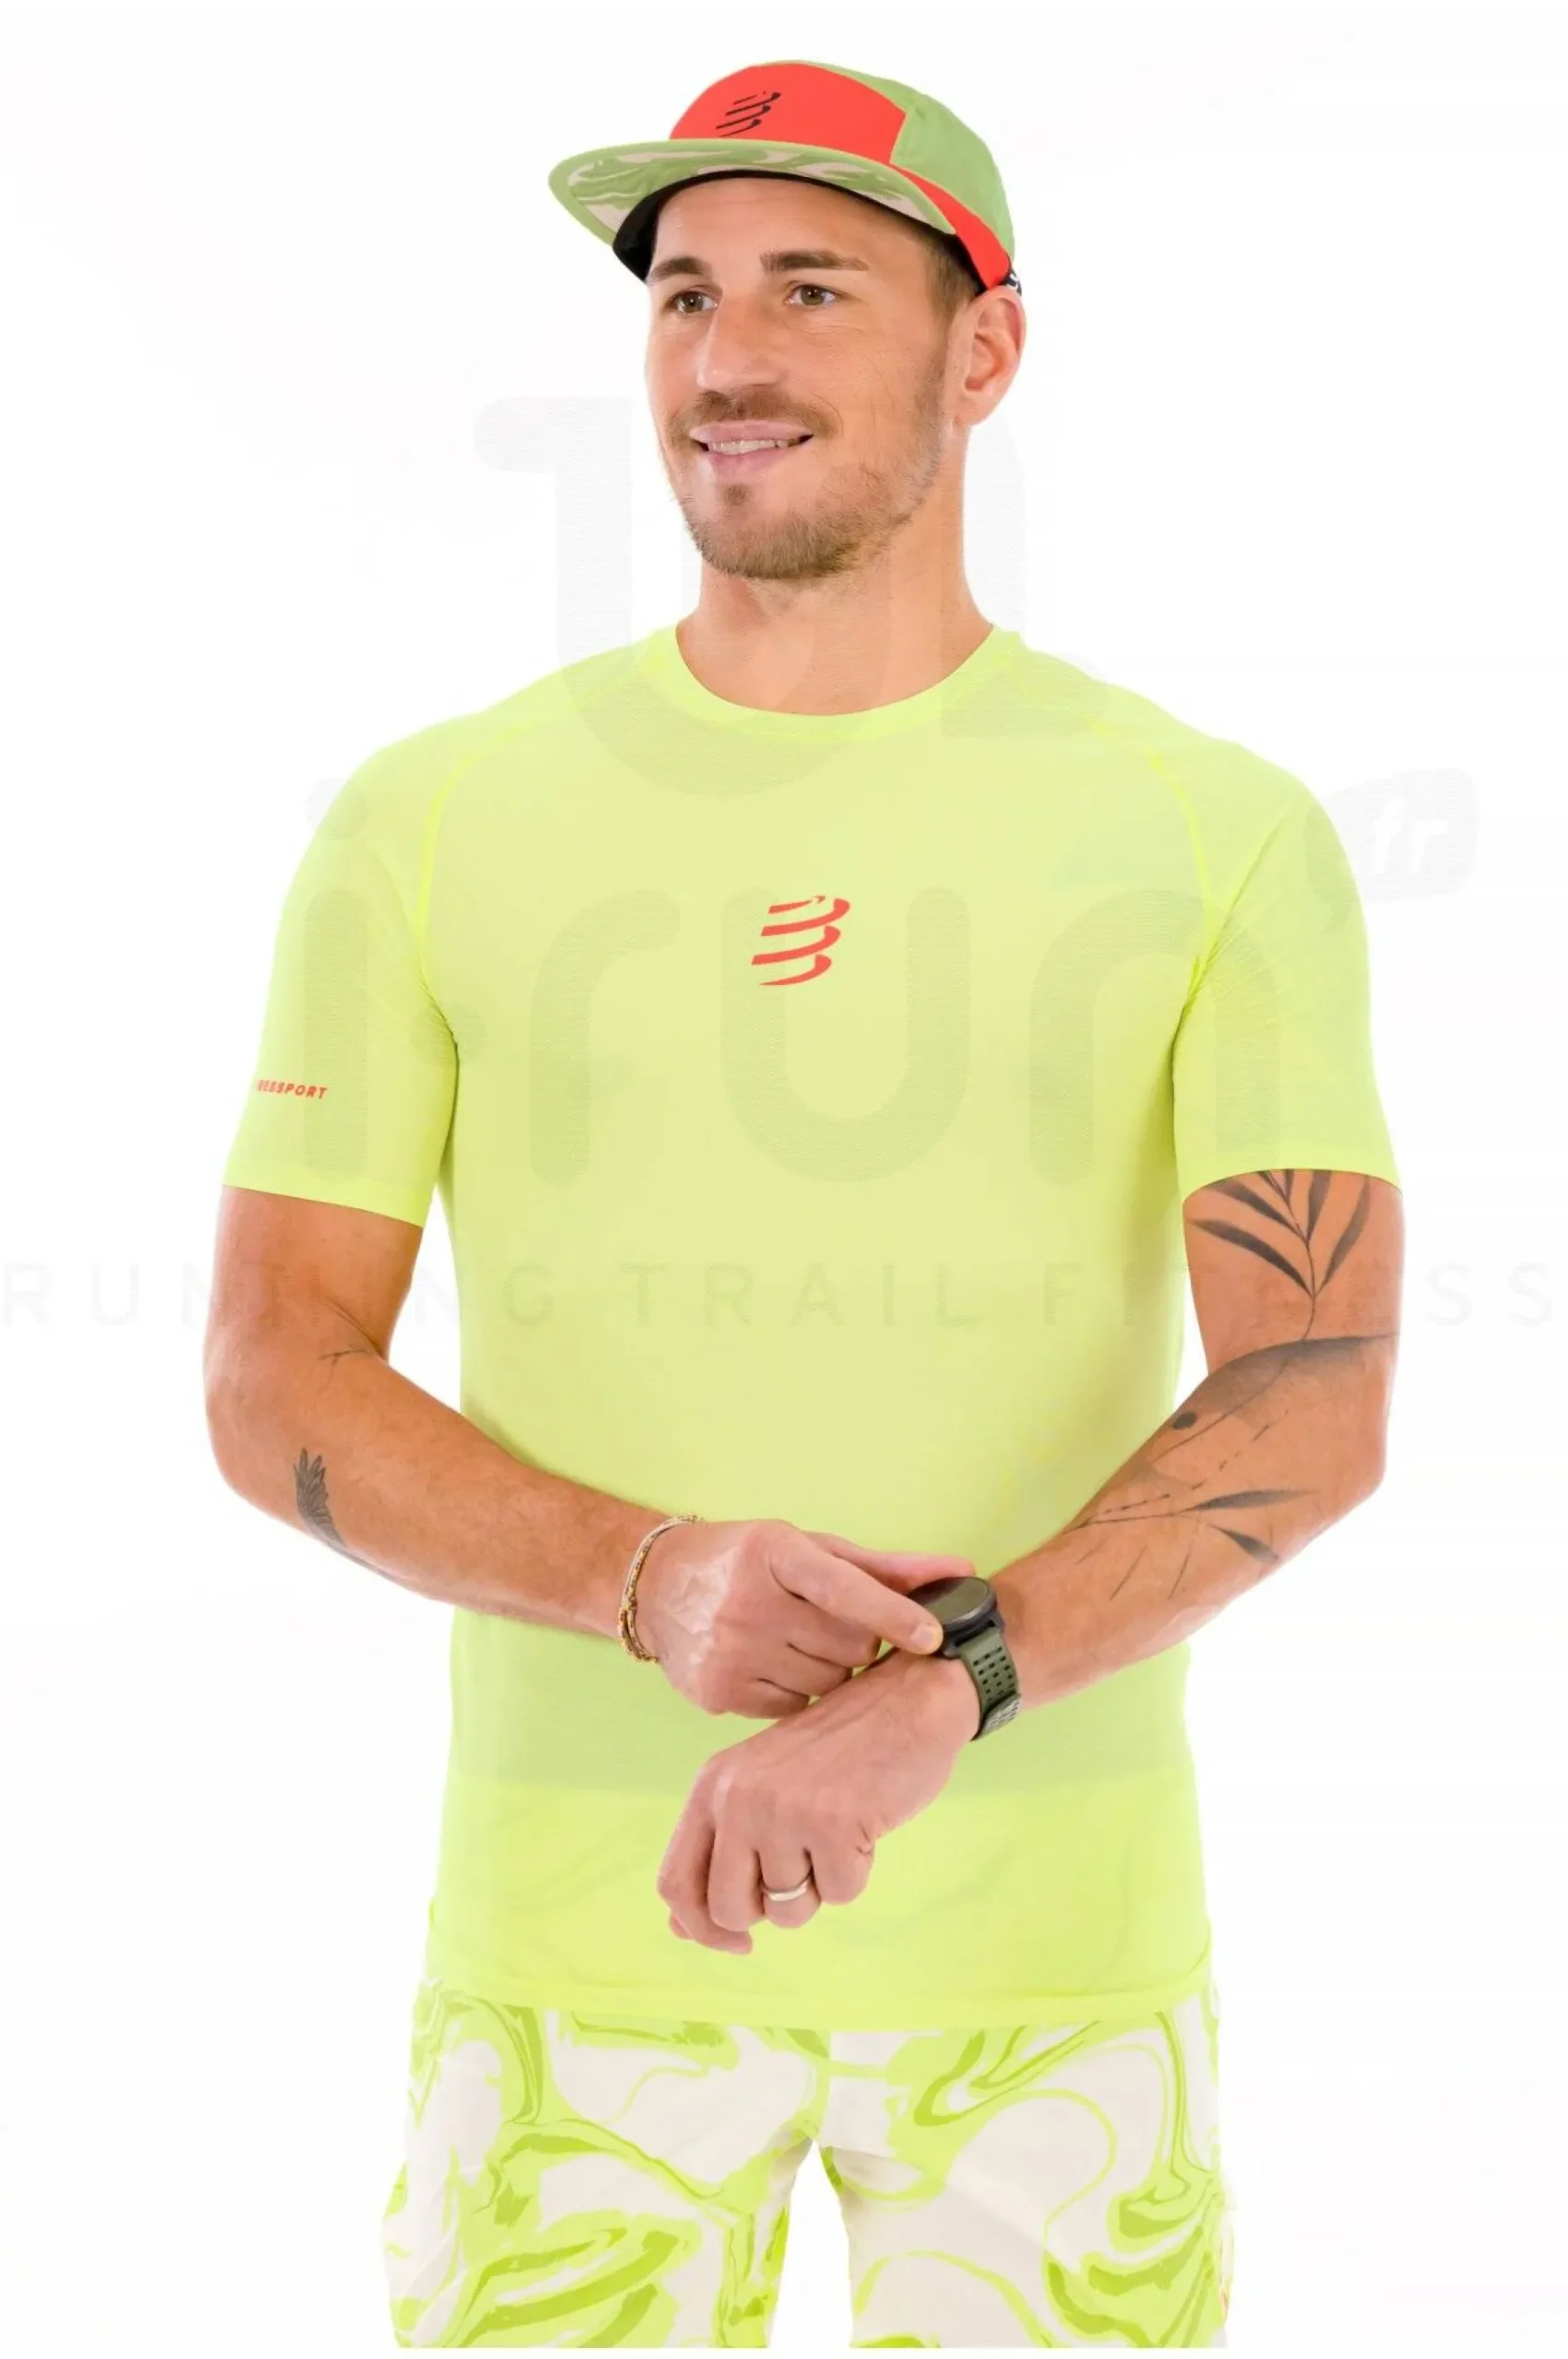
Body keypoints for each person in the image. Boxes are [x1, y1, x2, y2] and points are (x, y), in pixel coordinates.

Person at [204, 55, 1403, 2350]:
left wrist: (942, 1687)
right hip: (569, 1975)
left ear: (985, 348)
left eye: (810, 288)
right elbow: (274, 1372)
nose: (724, 358)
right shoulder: (432, 818)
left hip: (1051, 1982)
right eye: (682, 294)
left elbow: (1315, 1383)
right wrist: (642, 1573)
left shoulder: (1208, 828)